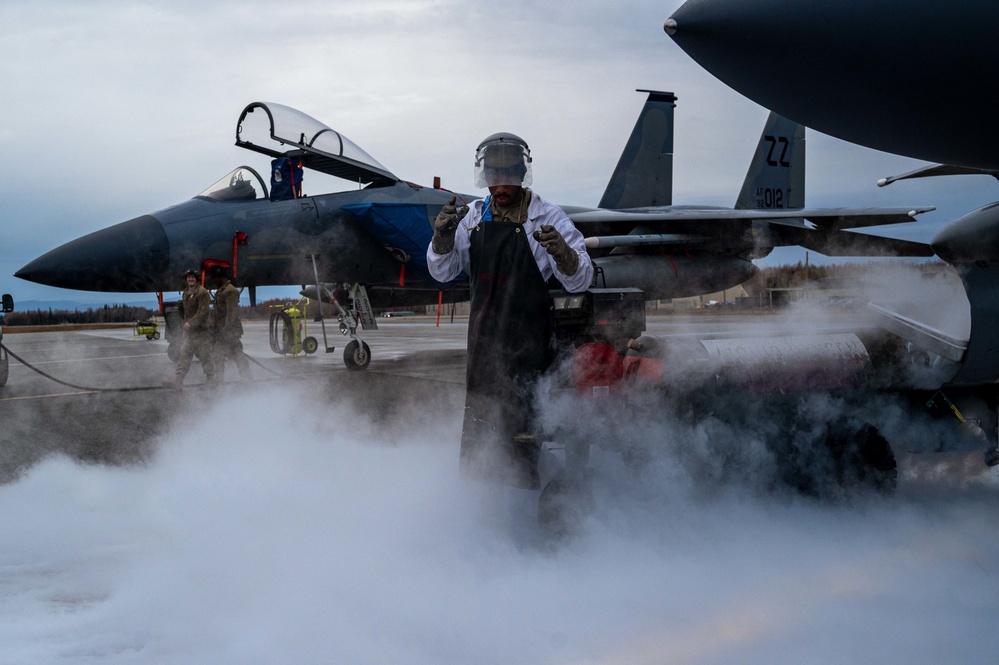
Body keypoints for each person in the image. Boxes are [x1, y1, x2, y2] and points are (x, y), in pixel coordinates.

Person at [426, 132, 594, 487]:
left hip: (531, 349)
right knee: (483, 437)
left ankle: (540, 510)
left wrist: (563, 253)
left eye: (508, 178)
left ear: (521, 174)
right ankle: (483, 507)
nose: (500, 186)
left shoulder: (547, 216)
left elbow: (580, 280)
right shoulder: (472, 217)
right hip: (484, 350)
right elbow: (442, 271)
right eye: (493, 178)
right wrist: (441, 239)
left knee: (528, 436)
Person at [165, 269, 216, 388]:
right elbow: (186, 311)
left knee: (205, 356)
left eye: (192, 277)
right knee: (184, 355)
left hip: (201, 331)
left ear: (196, 279)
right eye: (188, 277)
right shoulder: (186, 292)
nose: (190, 279)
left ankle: (211, 380)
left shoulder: (202, 292)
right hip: (189, 332)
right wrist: (184, 322)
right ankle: (178, 380)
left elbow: (203, 311)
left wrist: (191, 323)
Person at [210, 265, 251, 382]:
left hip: (230, 330)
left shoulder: (230, 291)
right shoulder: (221, 291)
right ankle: (219, 379)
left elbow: (232, 313)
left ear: (221, 278)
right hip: (221, 330)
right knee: (218, 355)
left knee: (238, 354)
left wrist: (227, 330)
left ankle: (246, 377)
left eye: (215, 278)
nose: (214, 281)